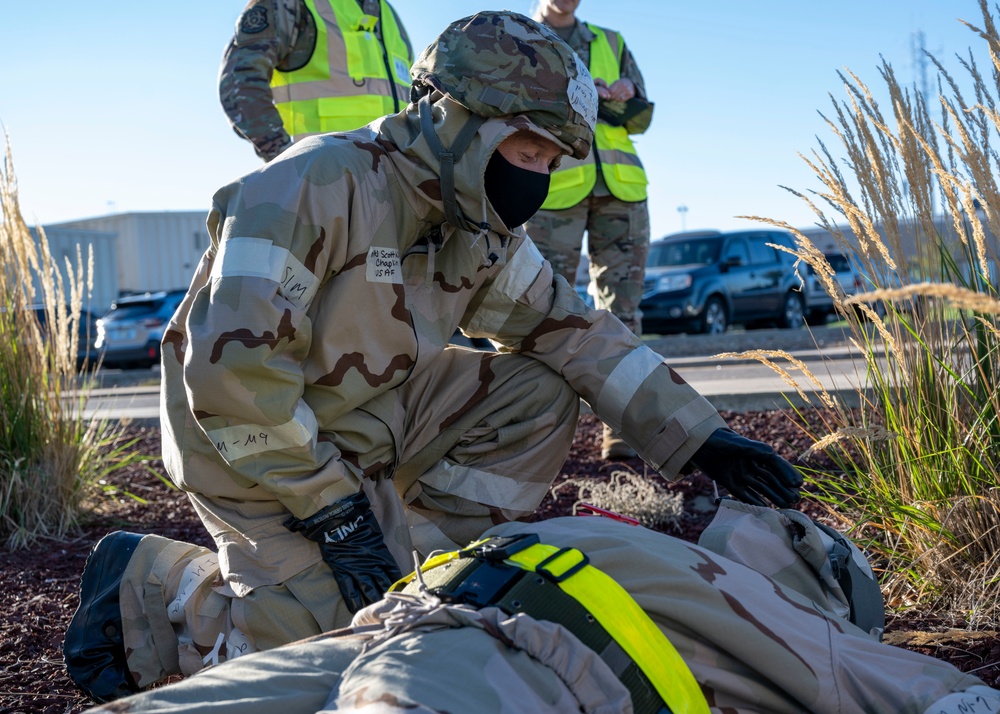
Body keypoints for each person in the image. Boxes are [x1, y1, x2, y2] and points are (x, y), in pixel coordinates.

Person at [62, 11, 803, 704]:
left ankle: (412, 575)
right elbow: (231, 380)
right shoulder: (309, 186)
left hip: (365, 414)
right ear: (458, 121)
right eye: (526, 150)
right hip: (247, 443)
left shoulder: (472, 217)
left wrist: (697, 433)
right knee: (324, 656)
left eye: (548, 159)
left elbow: (569, 327)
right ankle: (157, 581)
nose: (536, 178)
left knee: (538, 393)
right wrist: (335, 514)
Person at [79, 515, 998, 713]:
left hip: (401, 631)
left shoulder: (619, 532)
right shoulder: (822, 640)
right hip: (501, 668)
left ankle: (158, 581)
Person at [525, 0, 655, 461]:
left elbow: (641, 118)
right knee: (540, 311)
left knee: (624, 311)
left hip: (620, 191)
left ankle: (623, 431)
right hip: (554, 188)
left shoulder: (611, 41)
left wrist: (627, 92)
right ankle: (533, 435)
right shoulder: (521, 35)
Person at [219, 0, 413, 162]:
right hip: (322, 187)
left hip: (394, 189)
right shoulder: (291, 5)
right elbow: (239, 83)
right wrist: (286, 160)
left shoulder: (389, 16)